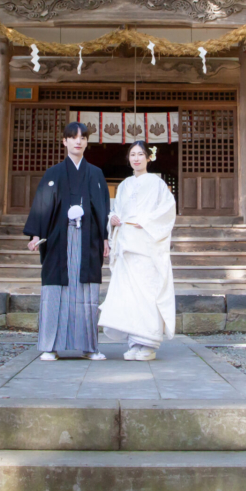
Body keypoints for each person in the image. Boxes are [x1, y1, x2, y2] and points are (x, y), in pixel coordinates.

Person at [24, 121, 111, 361]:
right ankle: (50, 346)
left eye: (83, 137)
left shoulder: (95, 173)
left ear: (86, 142)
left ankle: (89, 347)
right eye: (73, 137)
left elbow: (103, 207)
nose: (78, 141)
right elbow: (42, 206)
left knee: (87, 292)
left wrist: (104, 237)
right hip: (59, 238)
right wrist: (35, 235)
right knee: (55, 290)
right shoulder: (53, 173)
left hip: (88, 238)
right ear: (64, 141)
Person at [98, 140, 177, 361]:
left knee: (147, 294)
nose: (136, 158)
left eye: (140, 154)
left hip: (147, 246)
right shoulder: (123, 186)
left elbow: (167, 211)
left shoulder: (157, 183)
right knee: (130, 295)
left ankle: (149, 343)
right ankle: (134, 342)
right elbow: (117, 212)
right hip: (126, 246)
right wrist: (112, 220)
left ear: (148, 158)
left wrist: (147, 221)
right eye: (132, 154)